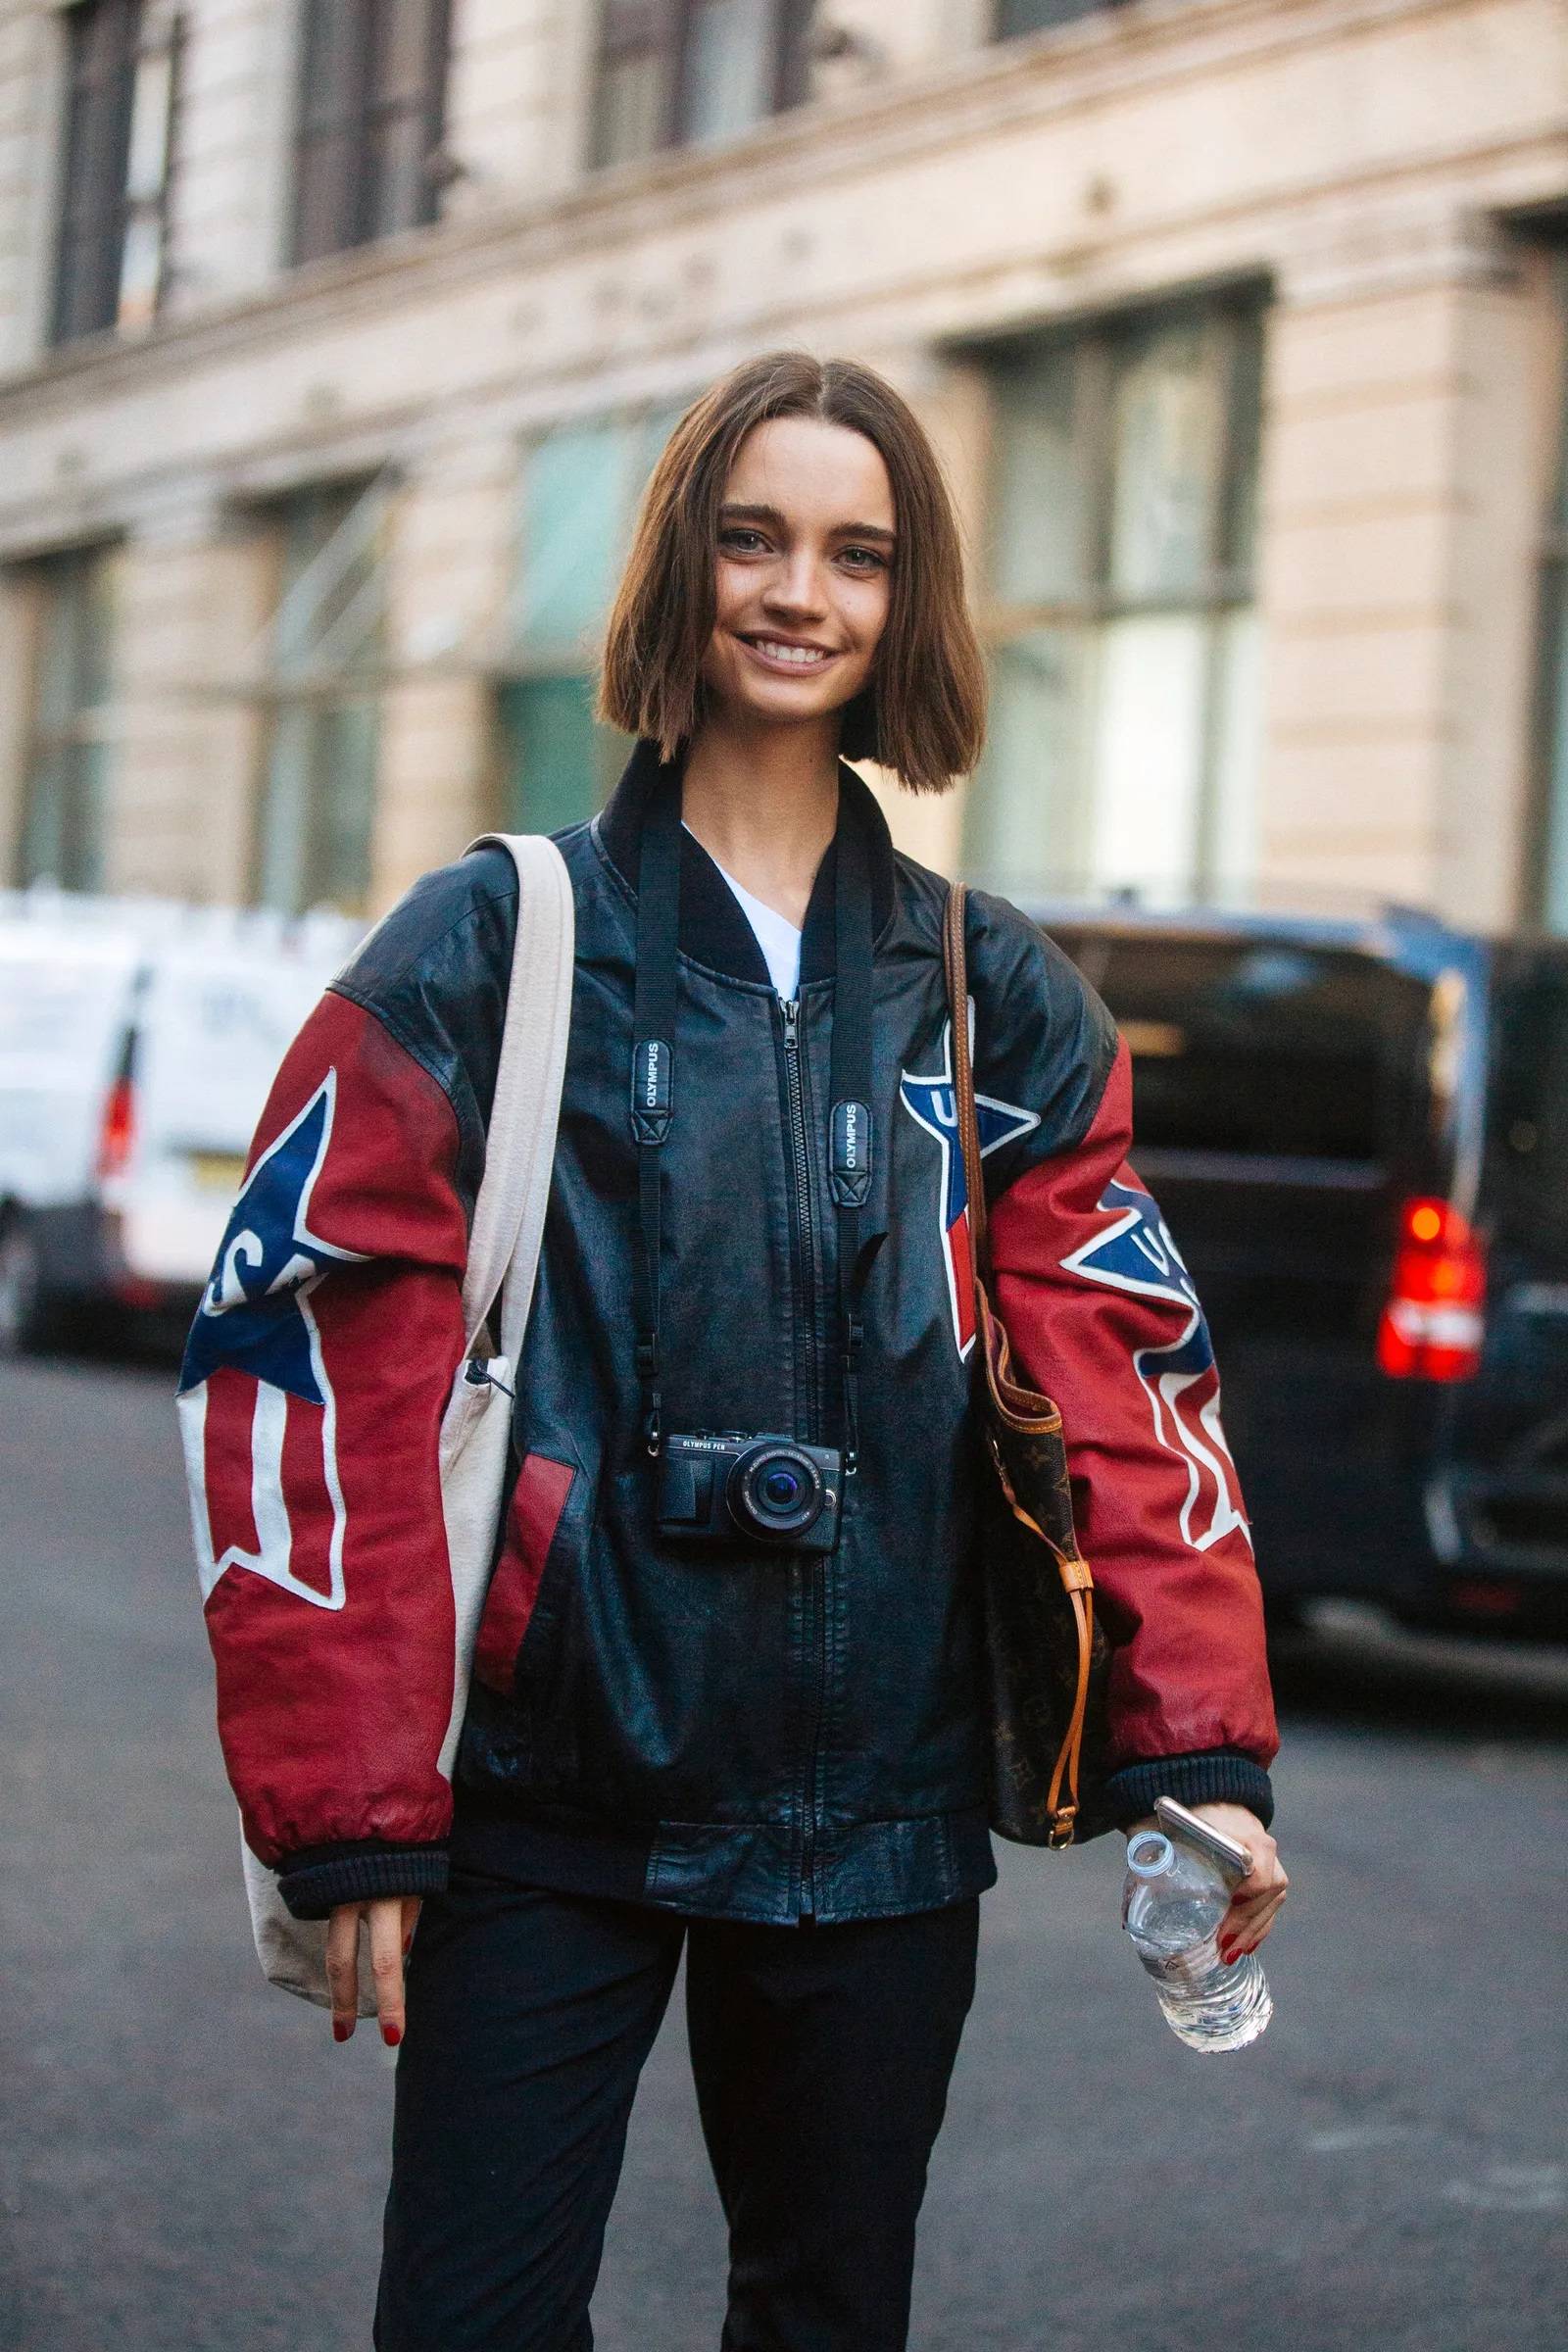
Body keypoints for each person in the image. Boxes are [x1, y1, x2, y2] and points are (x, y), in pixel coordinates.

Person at [178, 351, 1286, 2351]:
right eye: (752, 539)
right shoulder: (490, 945)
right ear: (679, 571)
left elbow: (1129, 1373)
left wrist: (1196, 1756)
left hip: (877, 1816)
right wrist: (348, 1806)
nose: (800, 593)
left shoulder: (989, 989)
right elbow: (303, 1361)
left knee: (823, 2316)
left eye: (856, 555)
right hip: (546, 1801)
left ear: (905, 602)